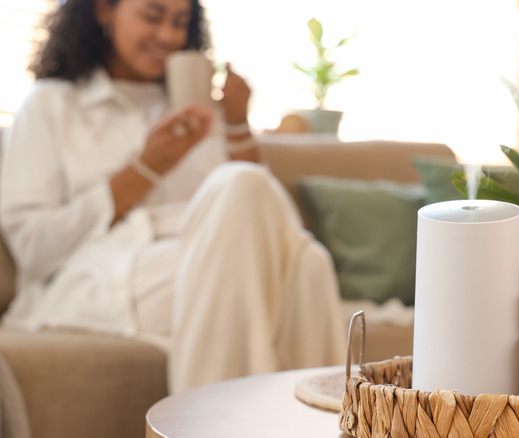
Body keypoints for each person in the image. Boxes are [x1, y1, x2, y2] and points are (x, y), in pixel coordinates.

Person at [0, 0, 345, 393]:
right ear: (104, 11)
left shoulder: (193, 106)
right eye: (152, 16)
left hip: (202, 257)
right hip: (98, 273)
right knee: (262, 216)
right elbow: (32, 247)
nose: (168, 35)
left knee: (307, 262)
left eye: (180, 22)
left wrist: (234, 124)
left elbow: (266, 220)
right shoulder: (50, 104)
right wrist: (146, 167)